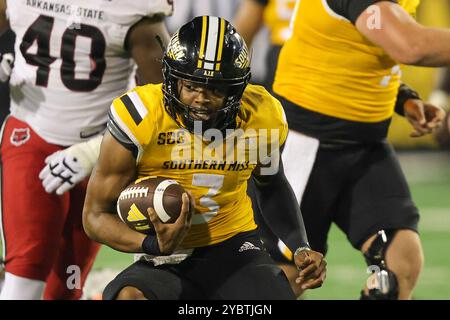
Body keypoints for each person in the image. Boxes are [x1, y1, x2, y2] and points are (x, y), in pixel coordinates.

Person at [82, 16, 326, 300]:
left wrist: (299, 246)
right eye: (191, 86)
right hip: (164, 258)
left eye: (215, 88)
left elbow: (271, 185)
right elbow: (95, 216)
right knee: (130, 298)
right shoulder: (139, 116)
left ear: (236, 88)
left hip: (234, 247)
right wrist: (151, 244)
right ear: (172, 81)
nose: (201, 98)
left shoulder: (261, 114)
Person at [264, 0, 449, 300]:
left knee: (398, 266)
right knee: (282, 281)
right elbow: (410, 46)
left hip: (365, 144)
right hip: (305, 143)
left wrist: (403, 99)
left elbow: (356, 47)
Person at [0, 0, 172, 300]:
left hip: (105, 152)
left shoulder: (135, 11)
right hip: (31, 137)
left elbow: (169, 102)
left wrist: (94, 152)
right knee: (25, 273)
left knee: (68, 284)